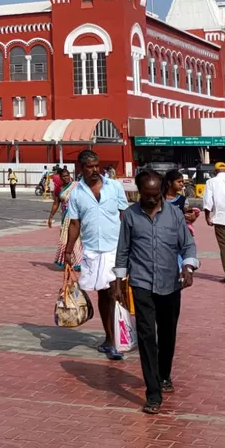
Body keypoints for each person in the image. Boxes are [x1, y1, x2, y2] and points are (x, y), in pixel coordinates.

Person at [112, 170, 199, 414]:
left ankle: (164, 375)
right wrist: (119, 283)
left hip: (171, 284)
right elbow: (123, 250)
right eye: (147, 196)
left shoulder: (175, 215)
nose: (151, 200)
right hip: (141, 284)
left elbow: (187, 244)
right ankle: (153, 394)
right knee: (147, 336)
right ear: (140, 192)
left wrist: (189, 267)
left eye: (155, 195)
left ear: (161, 192)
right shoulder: (130, 216)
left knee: (168, 333)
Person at [62, 150, 130, 359]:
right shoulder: (77, 193)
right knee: (103, 293)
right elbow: (74, 223)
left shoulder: (114, 186)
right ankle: (110, 338)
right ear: (81, 168)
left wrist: (132, 242)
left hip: (115, 247)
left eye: (96, 165)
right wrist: (68, 250)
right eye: (89, 166)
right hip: (92, 249)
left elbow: (125, 215)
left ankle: (122, 336)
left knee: (115, 291)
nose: (94, 170)